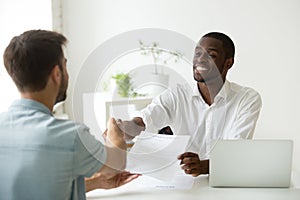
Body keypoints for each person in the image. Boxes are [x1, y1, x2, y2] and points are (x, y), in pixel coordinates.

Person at [0, 30, 139, 200]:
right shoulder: (70, 136)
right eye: (65, 65)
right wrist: (114, 131)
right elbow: (116, 163)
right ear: (56, 74)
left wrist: (96, 183)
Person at [119, 32, 262, 177]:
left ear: (228, 63)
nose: (200, 60)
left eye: (211, 55)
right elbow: (150, 115)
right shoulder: (177, 95)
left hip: (227, 180)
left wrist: (204, 166)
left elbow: (237, 151)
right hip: (184, 182)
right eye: (197, 53)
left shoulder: (247, 99)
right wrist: (128, 128)